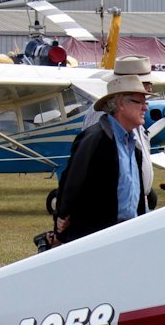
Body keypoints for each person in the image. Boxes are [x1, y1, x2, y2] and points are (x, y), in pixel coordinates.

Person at [54, 74, 153, 243]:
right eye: (140, 102)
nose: (145, 108)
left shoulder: (133, 146)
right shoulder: (95, 138)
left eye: (146, 103)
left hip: (130, 234)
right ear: (121, 103)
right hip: (99, 238)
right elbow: (72, 182)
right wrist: (62, 216)